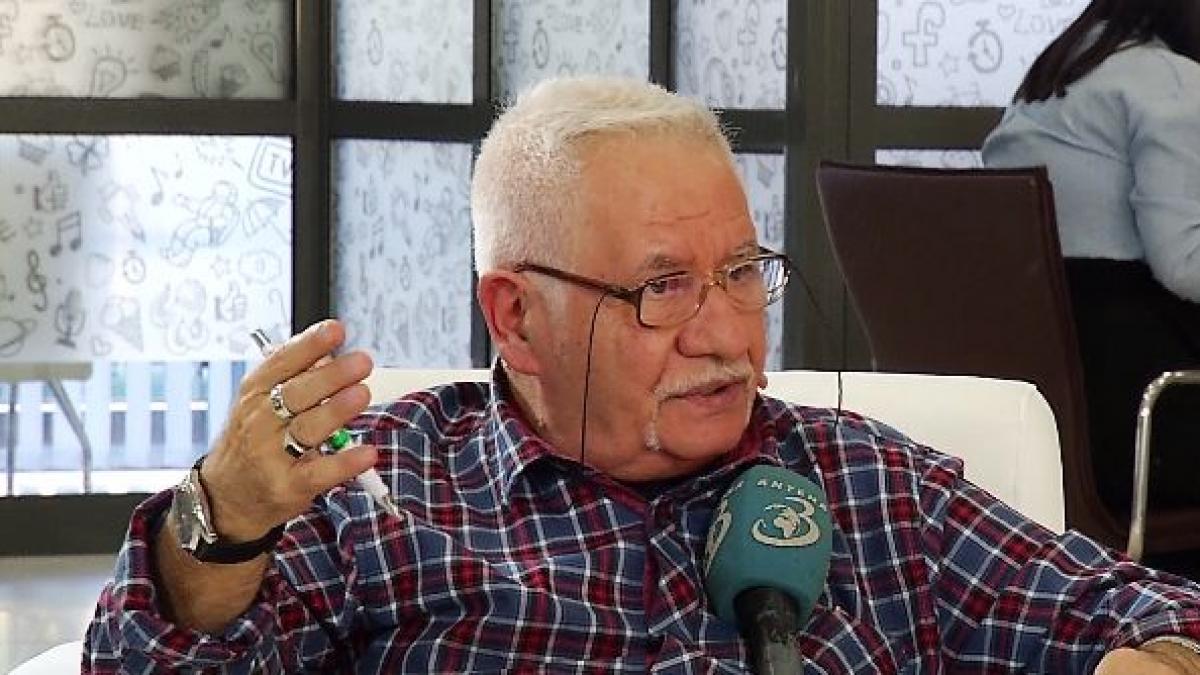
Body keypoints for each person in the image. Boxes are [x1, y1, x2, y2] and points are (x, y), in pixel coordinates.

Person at [83, 76, 1200, 673]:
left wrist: (1145, 658)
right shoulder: (388, 491)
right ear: (516, 316)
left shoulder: (871, 486)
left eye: (743, 272)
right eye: (663, 287)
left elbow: (1146, 610)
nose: (726, 334)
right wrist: (219, 525)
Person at [982, 0, 1200, 519]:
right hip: (1144, 430)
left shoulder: (1051, 80)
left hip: (1047, 426)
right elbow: (1184, 261)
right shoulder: (1170, 82)